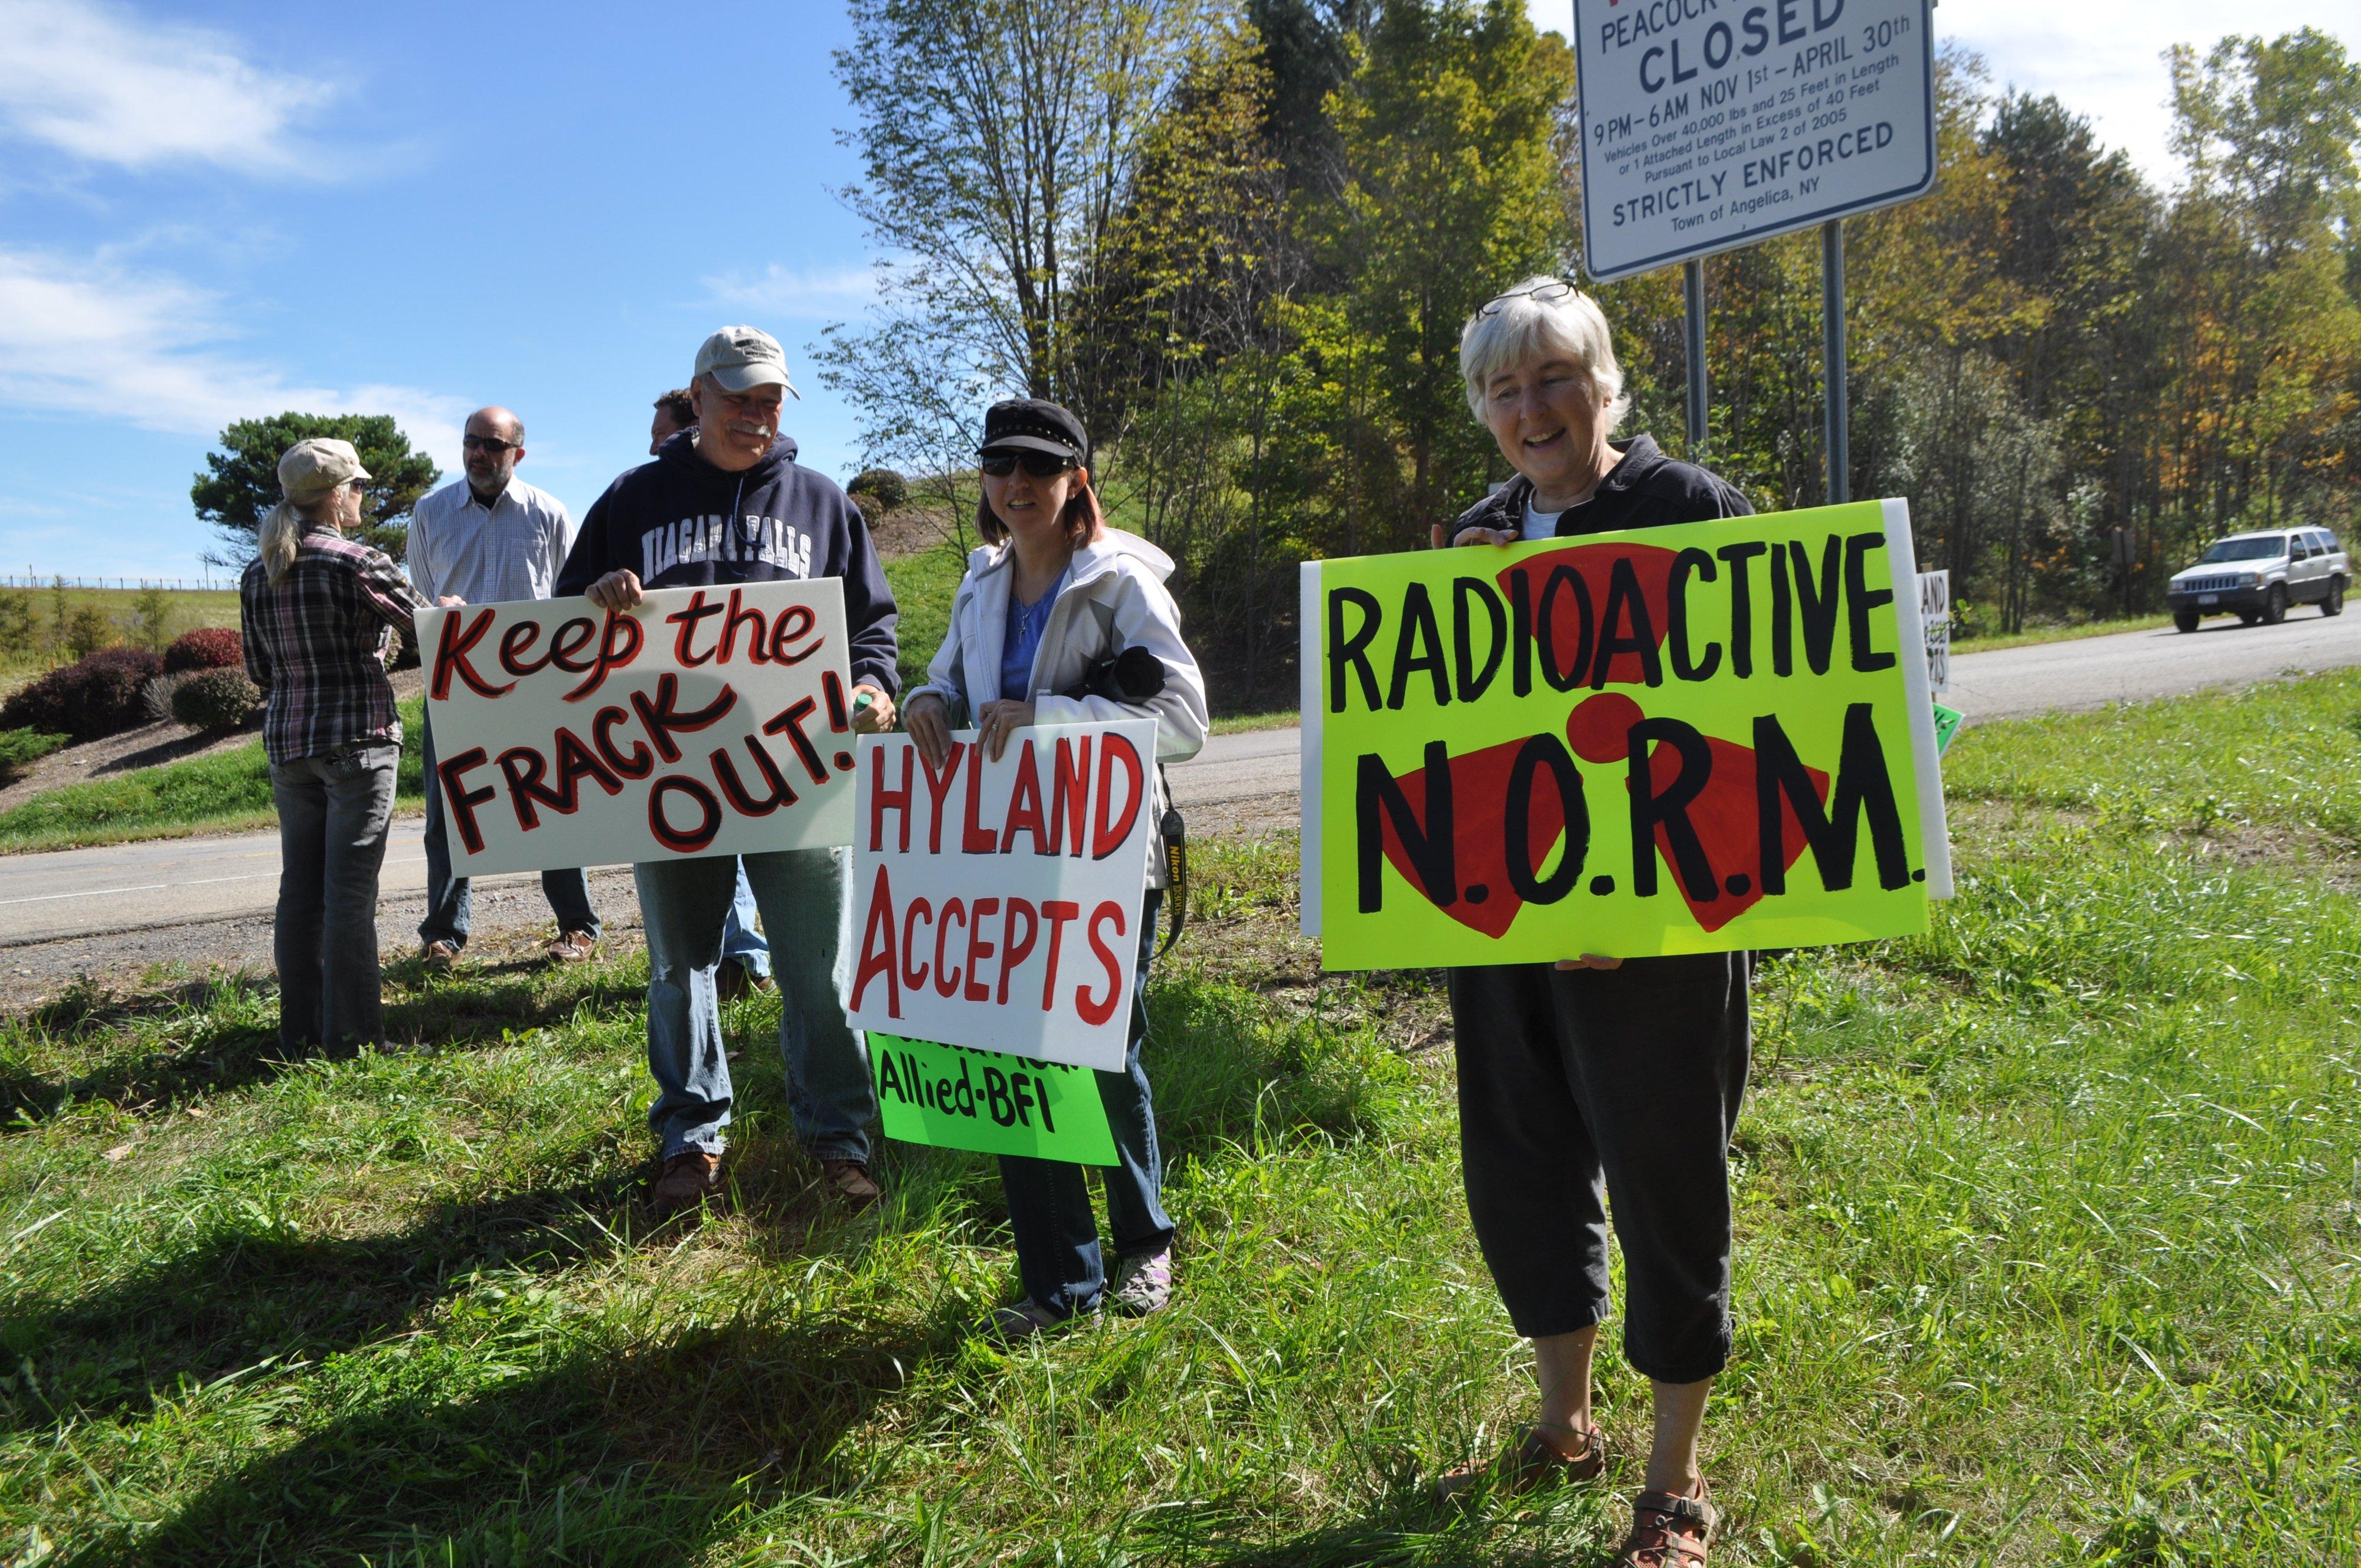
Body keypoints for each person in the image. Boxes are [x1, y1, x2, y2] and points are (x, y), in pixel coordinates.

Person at [1430, 277, 1754, 1568]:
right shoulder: (1478, 531)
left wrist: (1655, 893)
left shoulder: (1691, 508)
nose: (1531, 407)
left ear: (1605, 384)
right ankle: (1562, 1423)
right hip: (1510, 920)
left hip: (1657, 933)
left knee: (1667, 1178)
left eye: (1553, 377)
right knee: (1520, 1161)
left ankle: (1674, 1481)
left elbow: (1756, 711)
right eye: (1503, 388)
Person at [559, 326, 900, 1216]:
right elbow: (557, 633)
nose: (756, 414)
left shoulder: (823, 504)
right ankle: (690, 1134)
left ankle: (837, 1138)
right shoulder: (631, 498)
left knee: (819, 968)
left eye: (770, 400)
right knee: (681, 965)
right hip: (669, 778)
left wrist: (873, 685)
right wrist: (596, 603)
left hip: (798, 773)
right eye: (739, 397)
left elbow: (870, 625)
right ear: (699, 394)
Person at [902, 398, 1208, 1335]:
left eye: (1040, 465)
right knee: (1010, 1056)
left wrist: (1054, 721)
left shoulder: (1122, 584)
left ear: (1078, 478)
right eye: (1001, 465)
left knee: (1104, 1054)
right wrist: (924, 700)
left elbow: (1185, 721)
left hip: (1103, 858)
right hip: (1003, 858)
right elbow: (951, 681)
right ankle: (1060, 1284)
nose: (1018, 483)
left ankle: (1145, 1244)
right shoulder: (980, 583)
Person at [240, 438, 439, 1053]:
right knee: (349, 898)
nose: (361, 496)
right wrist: (447, 613)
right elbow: (432, 631)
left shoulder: (257, 571)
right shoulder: (358, 561)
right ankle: (353, 1039)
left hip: (288, 744)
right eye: (356, 486)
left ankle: (300, 1032)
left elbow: (259, 670)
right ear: (334, 495)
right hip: (357, 740)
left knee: (300, 893)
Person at [406, 407, 602, 968]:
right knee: (450, 810)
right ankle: (444, 934)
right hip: (456, 684)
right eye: (471, 441)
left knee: (554, 800)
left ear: (519, 452)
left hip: (536, 684)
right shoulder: (430, 511)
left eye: (493, 444)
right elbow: (421, 591)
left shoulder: (549, 513)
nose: (479, 453)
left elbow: (570, 595)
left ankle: (578, 926)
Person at [648, 386, 772, 1000]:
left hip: (771, 724)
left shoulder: (808, 499)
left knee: (748, 835)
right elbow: (577, 603)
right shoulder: (635, 499)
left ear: (692, 419)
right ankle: (726, 961)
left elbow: (867, 620)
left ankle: (744, 955)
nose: (655, 448)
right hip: (670, 726)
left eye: (662, 437)